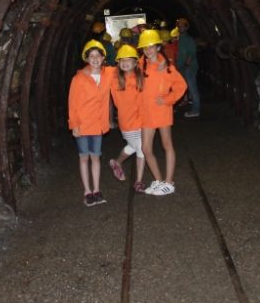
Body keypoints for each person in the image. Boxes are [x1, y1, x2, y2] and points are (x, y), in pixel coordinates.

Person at [138, 29, 187, 196]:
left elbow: (181, 86)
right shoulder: (139, 65)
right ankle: (159, 180)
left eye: (152, 46)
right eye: (145, 47)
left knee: (167, 145)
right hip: (146, 113)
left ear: (158, 47)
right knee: (145, 148)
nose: (148, 50)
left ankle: (169, 182)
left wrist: (167, 100)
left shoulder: (167, 67)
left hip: (162, 111)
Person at [68, 40, 116, 206]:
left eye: (98, 55)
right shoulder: (79, 79)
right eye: (91, 56)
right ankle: (87, 191)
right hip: (82, 124)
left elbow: (128, 66)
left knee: (96, 158)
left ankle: (97, 190)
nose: (95, 59)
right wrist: (74, 124)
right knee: (84, 158)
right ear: (86, 59)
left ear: (103, 58)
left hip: (98, 124)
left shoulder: (109, 73)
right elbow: (72, 103)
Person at [108, 44, 148, 192]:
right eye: (121, 60)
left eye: (129, 60)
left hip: (142, 120)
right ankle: (138, 180)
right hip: (127, 121)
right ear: (118, 62)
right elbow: (97, 68)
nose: (125, 63)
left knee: (134, 147)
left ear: (136, 62)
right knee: (141, 149)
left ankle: (117, 163)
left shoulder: (141, 77)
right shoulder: (113, 77)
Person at [175, 18, 201, 118]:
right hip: (183, 67)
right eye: (179, 26)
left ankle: (196, 110)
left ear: (186, 27)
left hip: (188, 68)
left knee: (192, 89)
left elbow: (192, 52)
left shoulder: (188, 39)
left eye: (182, 26)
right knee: (188, 88)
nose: (180, 27)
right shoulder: (180, 38)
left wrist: (187, 65)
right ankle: (188, 104)